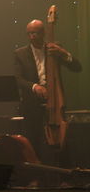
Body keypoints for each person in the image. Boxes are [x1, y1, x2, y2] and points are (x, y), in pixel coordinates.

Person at [14, 19, 82, 161]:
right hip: (32, 104)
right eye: (29, 33)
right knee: (33, 141)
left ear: (44, 33)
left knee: (62, 140)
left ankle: (64, 177)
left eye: (35, 33)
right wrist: (35, 87)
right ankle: (36, 177)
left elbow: (77, 68)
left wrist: (64, 54)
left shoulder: (54, 49)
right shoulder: (20, 53)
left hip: (56, 102)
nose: (32, 36)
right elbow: (17, 79)